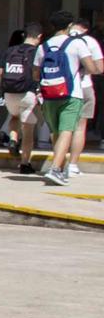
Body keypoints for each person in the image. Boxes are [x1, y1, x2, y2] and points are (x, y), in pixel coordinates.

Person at [36, 11, 99, 187]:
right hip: (72, 94)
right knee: (66, 131)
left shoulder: (44, 46)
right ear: (69, 26)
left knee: (56, 132)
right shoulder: (77, 44)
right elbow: (92, 68)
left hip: (49, 94)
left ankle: (60, 167)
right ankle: (56, 169)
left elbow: (35, 73)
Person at [2, 22, 43, 173]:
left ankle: (13, 139)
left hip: (9, 92)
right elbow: (38, 73)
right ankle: (25, 163)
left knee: (14, 116)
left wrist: (4, 89)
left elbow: (1, 72)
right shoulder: (37, 51)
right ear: (39, 37)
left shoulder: (11, 50)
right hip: (28, 93)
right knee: (28, 130)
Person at [71, 18, 102, 167]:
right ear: (86, 29)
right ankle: (72, 165)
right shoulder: (90, 41)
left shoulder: (57, 40)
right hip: (84, 87)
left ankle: (57, 163)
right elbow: (99, 68)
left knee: (61, 128)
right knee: (79, 127)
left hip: (60, 88)